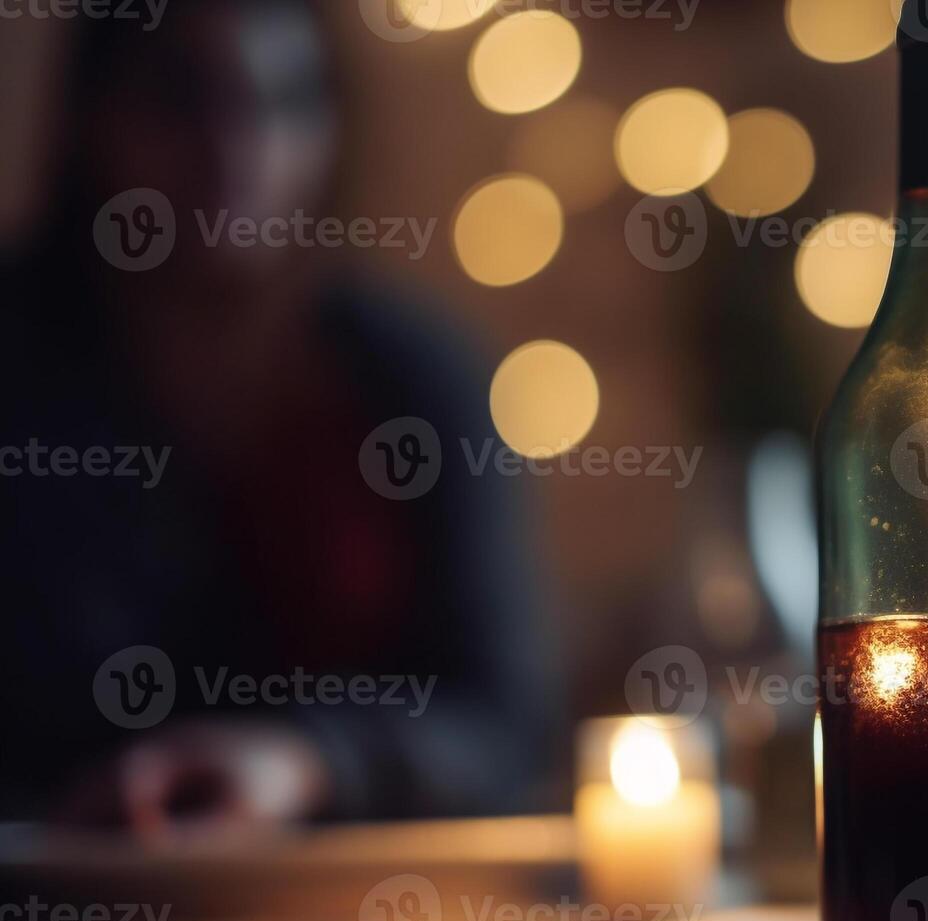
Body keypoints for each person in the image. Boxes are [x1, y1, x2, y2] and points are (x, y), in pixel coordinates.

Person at [0, 0, 560, 838]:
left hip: (343, 909)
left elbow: (506, 720)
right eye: (180, 96)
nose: (237, 144)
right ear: (91, 116)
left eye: (285, 99)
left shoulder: (411, 374)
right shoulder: (19, 361)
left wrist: (308, 762)